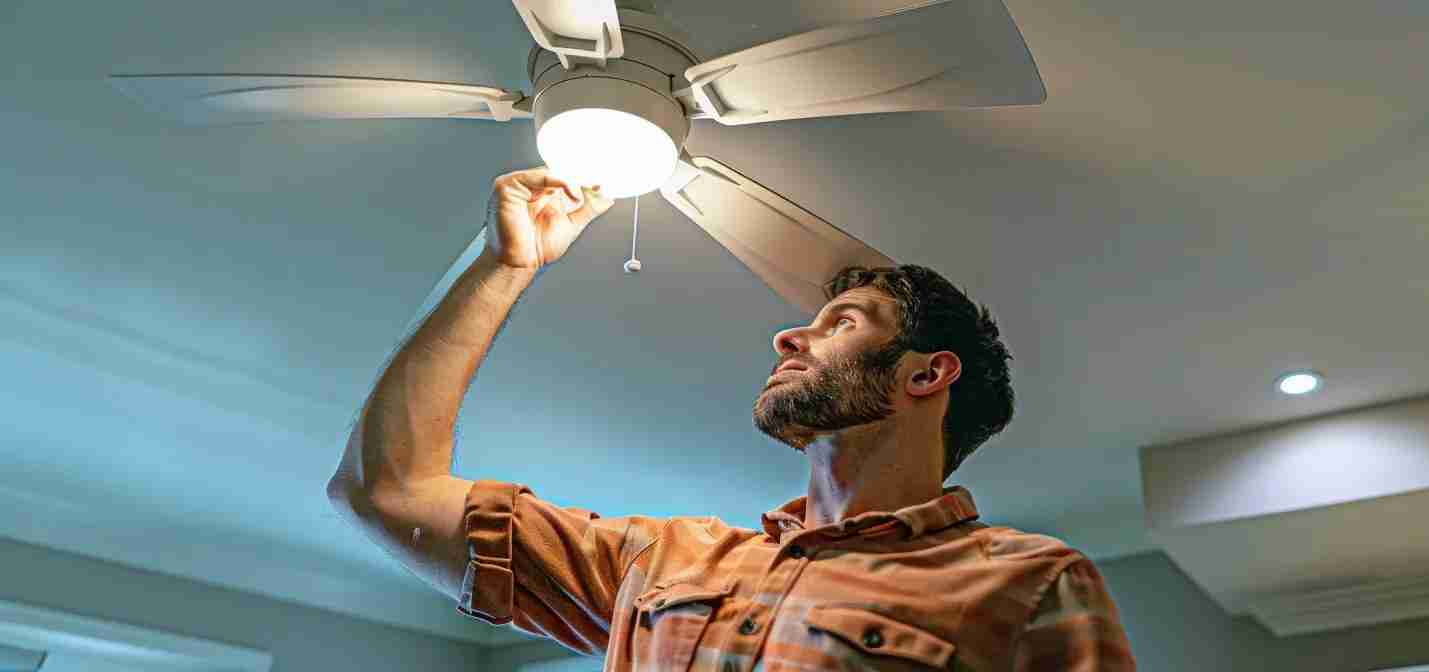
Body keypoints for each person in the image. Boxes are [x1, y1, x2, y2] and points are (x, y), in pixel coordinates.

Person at [326, 167, 1137, 670]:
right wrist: (503, 264)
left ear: (927, 373)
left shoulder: (1027, 584)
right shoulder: (662, 563)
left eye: (842, 322)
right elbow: (386, 490)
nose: (788, 336)